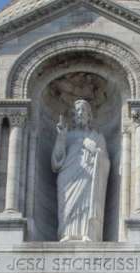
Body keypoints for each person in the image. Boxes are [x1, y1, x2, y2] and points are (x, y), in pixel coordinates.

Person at [51, 98, 111, 242]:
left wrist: (96, 151)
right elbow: (56, 161)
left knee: (86, 204)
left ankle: (88, 233)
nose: (80, 113)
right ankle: (67, 232)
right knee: (68, 204)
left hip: (90, 177)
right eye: (77, 111)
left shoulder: (97, 137)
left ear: (89, 115)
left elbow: (106, 163)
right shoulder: (68, 135)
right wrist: (61, 137)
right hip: (68, 176)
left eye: (83, 110)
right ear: (73, 115)